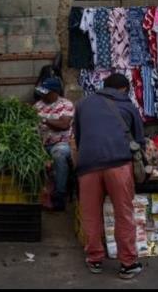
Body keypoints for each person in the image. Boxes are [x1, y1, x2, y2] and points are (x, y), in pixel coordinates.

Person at [73, 73, 145, 279]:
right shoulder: (128, 105)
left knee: (90, 213)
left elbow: (79, 138)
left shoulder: (83, 104)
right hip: (118, 164)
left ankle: (94, 259)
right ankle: (128, 264)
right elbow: (139, 141)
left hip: (88, 165)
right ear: (124, 89)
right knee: (123, 214)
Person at [34, 77, 74, 212]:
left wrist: (44, 119)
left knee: (59, 155)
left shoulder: (65, 104)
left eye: (46, 92)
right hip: (41, 144)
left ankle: (59, 196)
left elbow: (64, 125)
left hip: (61, 143)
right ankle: (37, 196)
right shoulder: (38, 106)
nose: (42, 94)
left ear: (55, 92)